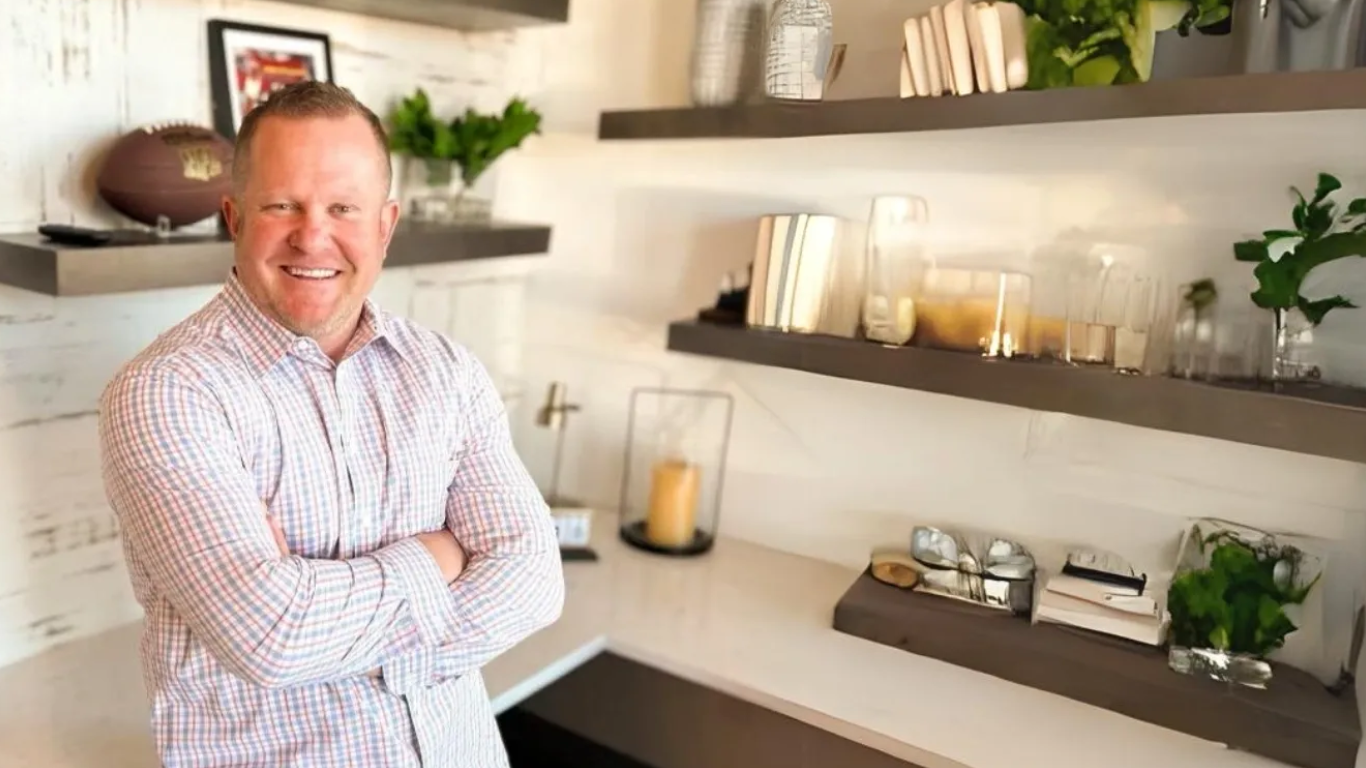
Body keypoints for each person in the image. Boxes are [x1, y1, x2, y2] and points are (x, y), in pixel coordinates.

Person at [97, 80, 565, 768]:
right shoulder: (166, 393)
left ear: (386, 224)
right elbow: (273, 637)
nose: (312, 236)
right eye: (281, 204)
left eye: (343, 207)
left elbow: (533, 582)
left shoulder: (446, 371)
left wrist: (331, 621)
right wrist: (435, 557)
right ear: (234, 215)